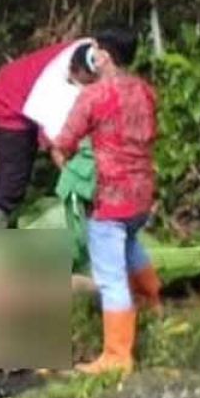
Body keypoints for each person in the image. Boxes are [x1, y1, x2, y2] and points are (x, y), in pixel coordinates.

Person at [51, 27, 161, 375]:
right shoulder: (145, 91)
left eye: (95, 50)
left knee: (110, 276)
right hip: (142, 192)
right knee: (130, 243)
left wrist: (60, 153)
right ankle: (151, 302)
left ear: (106, 56)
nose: (92, 55)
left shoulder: (94, 96)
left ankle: (117, 356)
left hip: (111, 198)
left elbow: (65, 140)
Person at [0, 38, 96, 227]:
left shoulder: (90, 52)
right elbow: (58, 150)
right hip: (10, 104)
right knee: (12, 179)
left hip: (28, 95)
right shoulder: (57, 88)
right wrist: (81, 183)